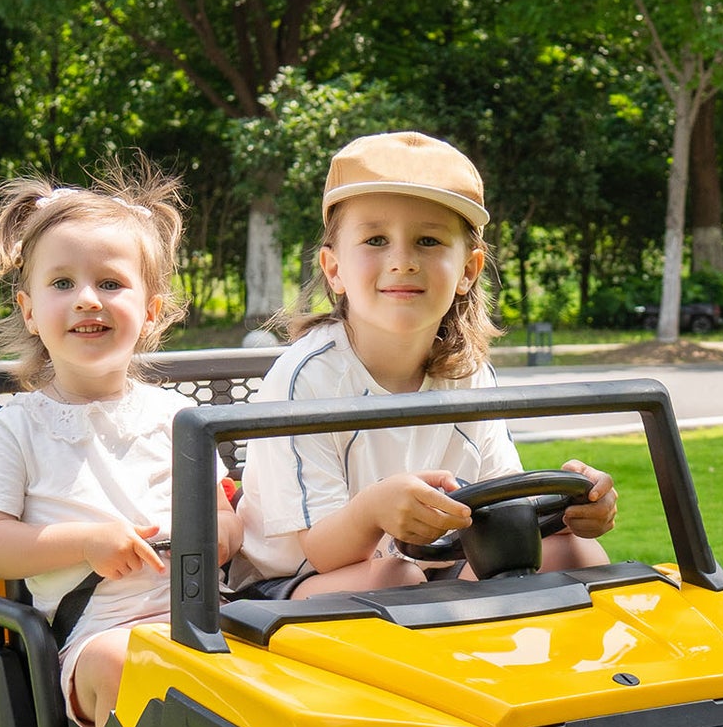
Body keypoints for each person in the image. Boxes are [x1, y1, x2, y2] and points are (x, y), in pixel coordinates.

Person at [231, 131, 615, 597]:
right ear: (334, 270)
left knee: (571, 552)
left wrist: (574, 504)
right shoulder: (306, 380)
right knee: (396, 579)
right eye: (375, 239)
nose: (402, 261)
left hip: (432, 568)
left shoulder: (469, 375)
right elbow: (322, 553)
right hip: (291, 584)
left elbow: (504, 501)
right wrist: (375, 511)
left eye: (428, 241)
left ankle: (593, 669)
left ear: (468, 271)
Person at [0, 162, 240, 727]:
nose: (87, 299)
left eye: (110, 284)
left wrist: (212, 537)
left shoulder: (178, 418)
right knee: (127, 664)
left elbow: (227, 521)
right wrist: (87, 542)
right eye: (62, 284)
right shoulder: (19, 426)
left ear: (151, 309)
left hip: (206, 616)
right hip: (96, 635)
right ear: (30, 311)